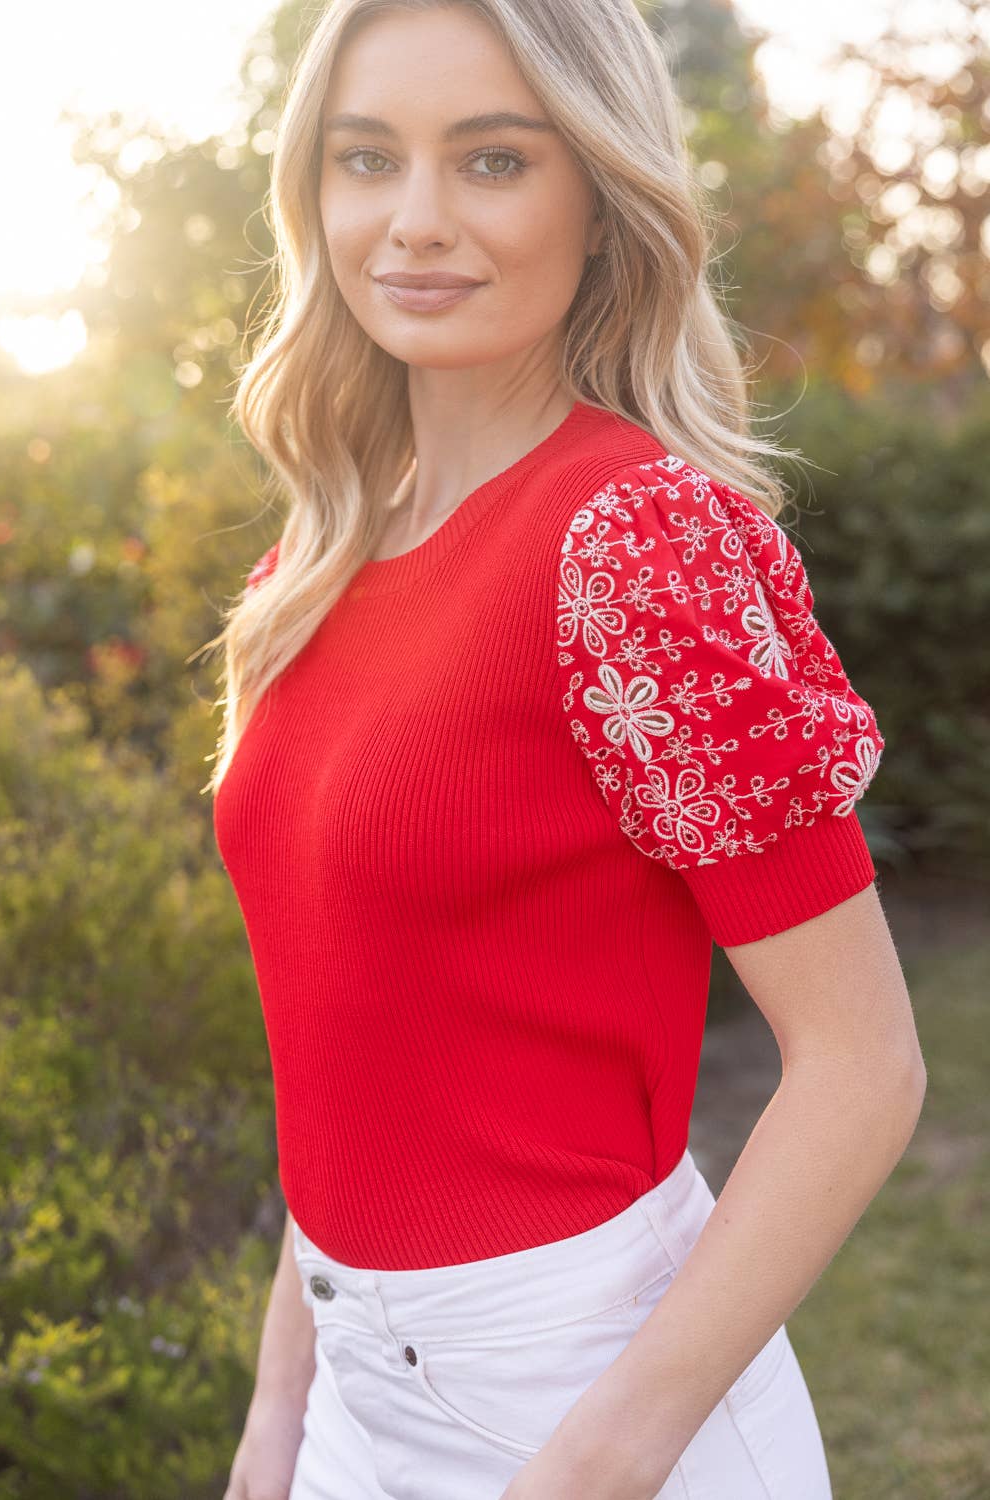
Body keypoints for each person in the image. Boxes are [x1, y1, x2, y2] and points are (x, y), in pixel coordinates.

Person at [205, 2, 927, 1498]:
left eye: (490, 162)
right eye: (365, 157)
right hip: (353, 1399)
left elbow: (863, 1067)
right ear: (311, 188)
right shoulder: (320, 553)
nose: (413, 223)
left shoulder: (634, 542)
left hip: (589, 1403)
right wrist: (278, 1421)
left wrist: (602, 1459)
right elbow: (353, 1039)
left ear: (599, 200)